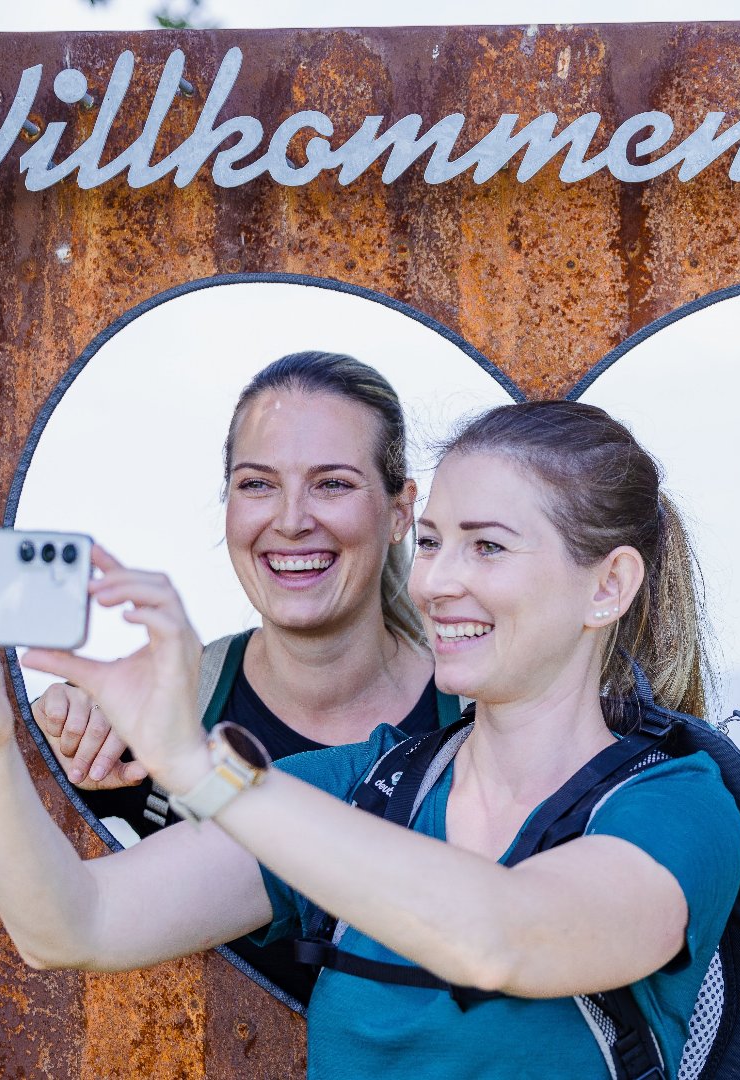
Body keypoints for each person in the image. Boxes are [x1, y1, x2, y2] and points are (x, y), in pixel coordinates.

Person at [0, 400, 740, 1076]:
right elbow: (73, 925)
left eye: (487, 548)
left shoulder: (675, 806)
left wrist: (197, 764)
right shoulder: (361, 788)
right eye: (432, 542)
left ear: (608, 586)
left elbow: (498, 935)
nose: (437, 581)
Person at [34, 351, 461, 1003]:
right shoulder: (157, 709)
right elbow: (55, 918)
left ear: (402, 510)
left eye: (333, 484)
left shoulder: (478, 717)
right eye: (258, 484)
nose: (290, 520)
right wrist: (47, 738)